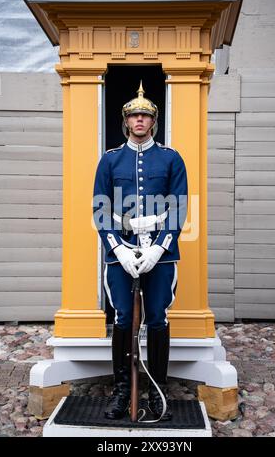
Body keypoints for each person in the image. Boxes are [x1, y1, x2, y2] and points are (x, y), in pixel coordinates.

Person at [93, 82, 188, 421]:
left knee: (158, 319)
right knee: (121, 318)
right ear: (125, 121)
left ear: (153, 121)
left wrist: (159, 249)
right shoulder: (110, 159)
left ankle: (157, 391)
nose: (139, 120)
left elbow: (177, 208)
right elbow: (100, 209)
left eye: (145, 115)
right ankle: (122, 391)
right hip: (121, 249)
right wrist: (117, 248)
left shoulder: (171, 158)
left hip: (160, 252)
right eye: (134, 115)